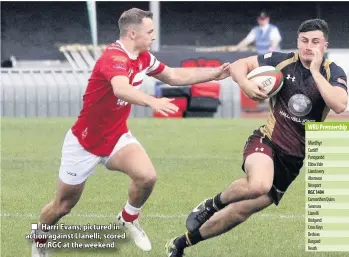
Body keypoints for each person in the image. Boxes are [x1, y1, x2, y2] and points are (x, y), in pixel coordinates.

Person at [31, 7, 230, 257]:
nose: (153, 36)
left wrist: (215, 74)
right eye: (150, 31)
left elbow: (173, 75)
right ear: (133, 33)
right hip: (84, 143)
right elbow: (120, 89)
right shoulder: (113, 57)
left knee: (147, 177)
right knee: (62, 207)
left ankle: (128, 217)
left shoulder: (144, 57)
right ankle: (40, 240)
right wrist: (151, 101)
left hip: (116, 137)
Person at [165, 18, 348, 257]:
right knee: (258, 183)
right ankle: (211, 204)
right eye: (304, 41)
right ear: (297, 41)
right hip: (267, 140)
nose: (308, 46)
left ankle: (181, 244)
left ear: (324, 45)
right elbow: (240, 64)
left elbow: (340, 104)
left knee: (240, 212)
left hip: (292, 160)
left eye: (315, 41)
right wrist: (245, 84)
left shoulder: (332, 72)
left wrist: (315, 72)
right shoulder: (281, 60)